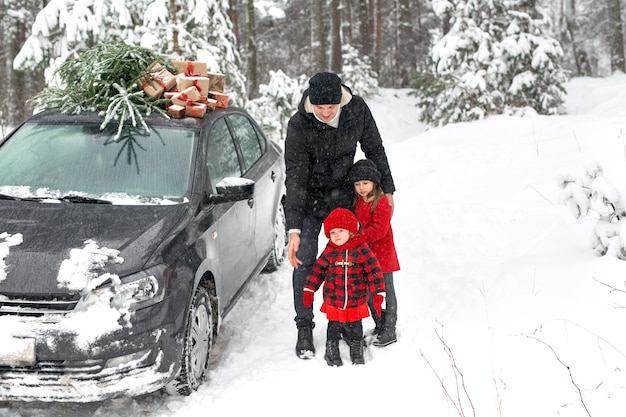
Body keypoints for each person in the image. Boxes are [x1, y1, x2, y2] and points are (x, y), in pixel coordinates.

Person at [284, 71, 396, 359]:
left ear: (340, 102)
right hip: (309, 199)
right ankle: (305, 327)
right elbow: (295, 177)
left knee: (349, 257)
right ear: (311, 102)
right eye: (319, 108)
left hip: (343, 198)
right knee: (305, 259)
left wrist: (388, 188)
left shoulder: (356, 110)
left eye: (330, 108)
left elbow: (374, 148)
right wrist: (294, 228)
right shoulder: (298, 125)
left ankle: (348, 319)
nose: (324, 113)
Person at [303, 208, 385, 366]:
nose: (336, 235)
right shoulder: (330, 250)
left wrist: (379, 292)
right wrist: (309, 289)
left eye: (341, 230)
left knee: (355, 326)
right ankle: (331, 349)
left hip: (356, 298)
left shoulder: (361, 249)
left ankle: (356, 348)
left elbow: (374, 271)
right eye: (332, 232)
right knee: (333, 326)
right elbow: (318, 270)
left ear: (351, 231)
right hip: (334, 298)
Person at [348, 159, 400, 346]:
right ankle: (380, 322)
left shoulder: (381, 202)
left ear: (374, 183)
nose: (361, 187)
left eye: (365, 183)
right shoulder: (358, 202)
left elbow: (380, 229)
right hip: (367, 256)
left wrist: (359, 236)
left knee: (387, 290)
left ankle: (390, 328)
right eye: (357, 184)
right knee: (370, 291)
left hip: (383, 254)